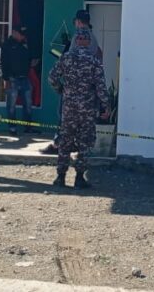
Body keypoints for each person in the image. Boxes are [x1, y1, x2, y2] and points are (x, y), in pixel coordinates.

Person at [48, 28, 110, 188]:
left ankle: (60, 177)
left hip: (69, 108)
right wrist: (105, 106)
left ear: (76, 41)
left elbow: (52, 78)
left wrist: (61, 90)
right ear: (88, 42)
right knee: (85, 142)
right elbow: (101, 87)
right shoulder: (94, 61)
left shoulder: (65, 58)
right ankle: (79, 178)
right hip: (87, 109)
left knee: (65, 140)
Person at [40, 9, 103, 154]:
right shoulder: (93, 39)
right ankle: (74, 147)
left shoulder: (78, 38)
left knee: (63, 117)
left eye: (76, 21)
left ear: (79, 22)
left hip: (73, 88)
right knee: (81, 122)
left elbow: (68, 61)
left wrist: (60, 87)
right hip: (87, 91)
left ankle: (58, 145)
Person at [0, 25, 37, 135]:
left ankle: (28, 127)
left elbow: (31, 58)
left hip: (25, 78)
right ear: (14, 33)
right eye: (21, 34)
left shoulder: (25, 44)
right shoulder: (6, 45)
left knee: (28, 105)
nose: (22, 37)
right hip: (12, 79)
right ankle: (12, 128)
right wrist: (6, 79)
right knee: (11, 105)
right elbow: (2, 64)